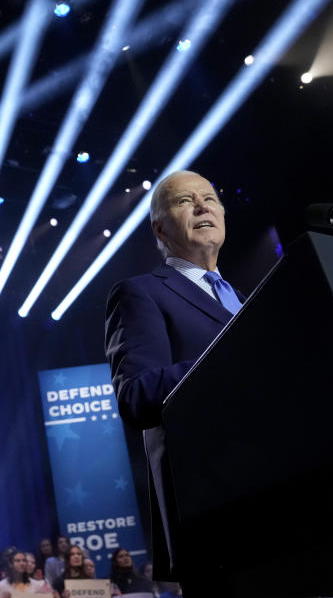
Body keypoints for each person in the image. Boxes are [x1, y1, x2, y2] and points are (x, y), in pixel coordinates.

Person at [106, 170, 243, 588]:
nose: (203, 206)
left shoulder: (247, 298)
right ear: (160, 228)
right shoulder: (141, 292)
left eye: (210, 198)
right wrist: (233, 358)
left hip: (290, 494)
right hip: (216, 511)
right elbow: (137, 395)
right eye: (185, 201)